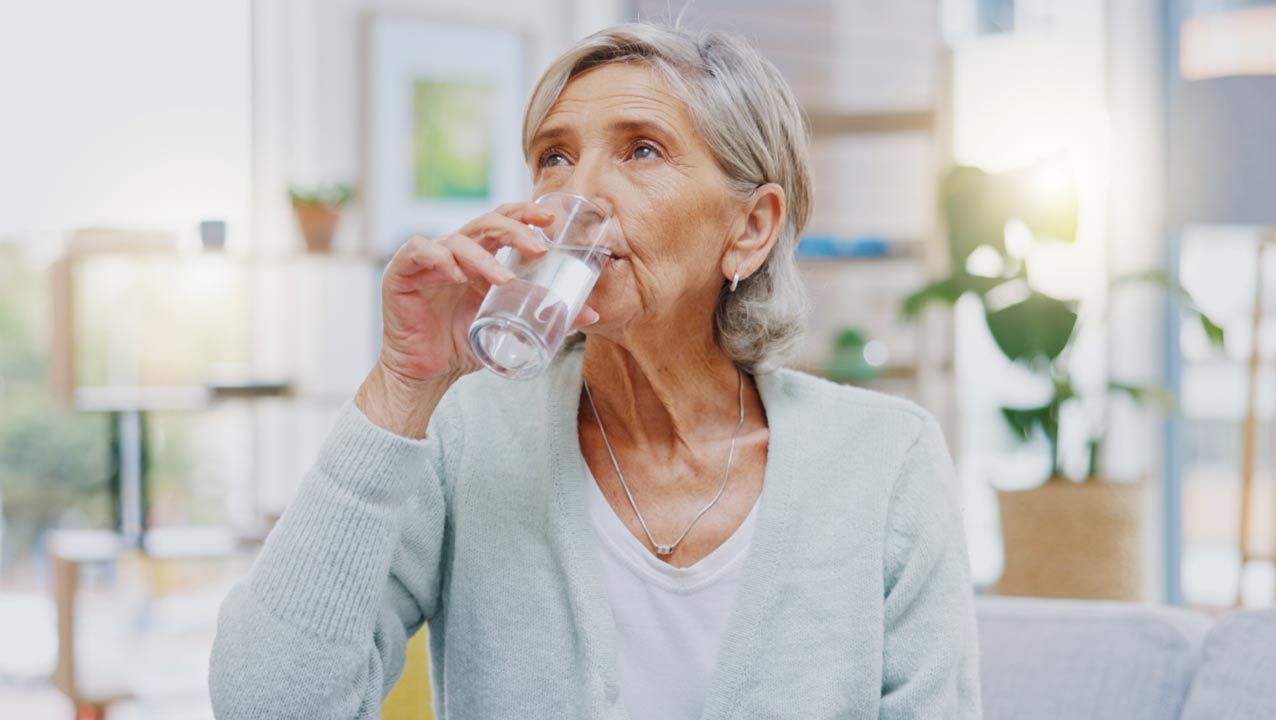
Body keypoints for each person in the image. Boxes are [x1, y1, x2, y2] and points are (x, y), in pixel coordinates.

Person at [209, 21, 981, 719]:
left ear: (751, 228)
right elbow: (266, 706)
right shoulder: (466, 435)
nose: (577, 193)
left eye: (642, 149)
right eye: (555, 157)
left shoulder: (887, 462)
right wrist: (400, 383)